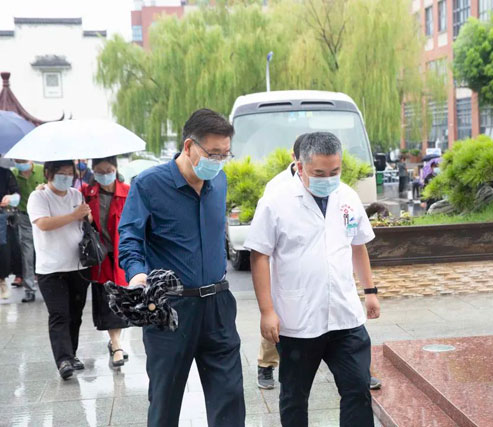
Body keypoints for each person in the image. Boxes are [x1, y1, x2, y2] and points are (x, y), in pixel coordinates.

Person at [118, 109, 245, 426]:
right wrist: (137, 273)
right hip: (170, 308)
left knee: (230, 397)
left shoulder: (219, 180)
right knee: (165, 399)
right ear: (189, 146)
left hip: (218, 305)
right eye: (213, 154)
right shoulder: (149, 185)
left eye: (225, 154)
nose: (219, 161)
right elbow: (129, 237)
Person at [245, 132, 381, 427]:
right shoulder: (276, 201)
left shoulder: (348, 197)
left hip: (345, 317)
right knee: (295, 397)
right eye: (319, 173)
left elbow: (358, 245)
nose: (328, 179)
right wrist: (267, 311)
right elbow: (259, 256)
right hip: (298, 320)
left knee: (358, 389)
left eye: (335, 171)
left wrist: (370, 290)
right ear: (300, 166)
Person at [27, 160, 92, 379]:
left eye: (69, 173)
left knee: (75, 314)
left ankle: (72, 354)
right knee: (59, 314)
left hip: (78, 265)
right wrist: (74, 215)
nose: (66, 177)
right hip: (50, 268)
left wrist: (85, 214)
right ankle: (63, 360)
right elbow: (43, 224)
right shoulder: (39, 197)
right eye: (61, 173)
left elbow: (86, 222)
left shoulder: (76, 195)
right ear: (48, 173)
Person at [256, 134, 305, 390]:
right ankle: (266, 365)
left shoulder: (326, 181)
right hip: (285, 265)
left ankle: (359, 371)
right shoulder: (277, 186)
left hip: (316, 267)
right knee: (277, 320)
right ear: (294, 157)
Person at [82, 156, 130, 367]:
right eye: (99, 171)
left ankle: (115, 343)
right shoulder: (86, 194)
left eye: (108, 170)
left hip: (122, 255)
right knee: (106, 300)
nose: (104, 175)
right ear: (93, 171)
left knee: (120, 300)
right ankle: (116, 345)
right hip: (100, 257)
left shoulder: (127, 192)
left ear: (116, 169)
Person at [11, 159, 45, 302]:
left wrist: (44, 188)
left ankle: (50, 284)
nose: (21, 164)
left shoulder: (42, 170)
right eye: (17, 161)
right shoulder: (13, 174)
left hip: (44, 216)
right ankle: (29, 289)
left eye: (23, 161)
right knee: (27, 253)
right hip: (24, 217)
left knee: (45, 250)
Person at [0, 163, 21, 299]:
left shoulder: (5, 174)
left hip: (1, 218)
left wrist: (11, 198)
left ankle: (1, 281)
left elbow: (16, 194)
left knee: (3, 251)